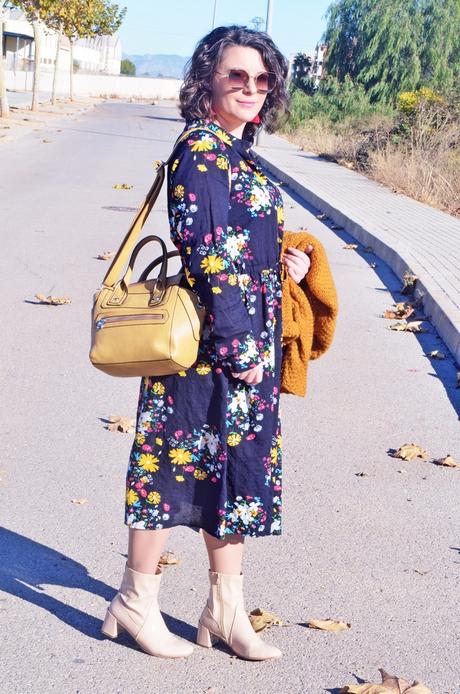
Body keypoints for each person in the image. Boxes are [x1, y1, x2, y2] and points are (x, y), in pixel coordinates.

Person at [101, 24, 312, 661]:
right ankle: (135, 602)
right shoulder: (201, 149)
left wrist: (284, 263)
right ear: (209, 81)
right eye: (236, 76)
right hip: (208, 349)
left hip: (243, 343)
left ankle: (225, 609)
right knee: (171, 468)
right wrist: (242, 346)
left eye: (262, 78)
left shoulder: (237, 150)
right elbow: (210, 254)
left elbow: (243, 243)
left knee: (237, 474)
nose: (251, 87)